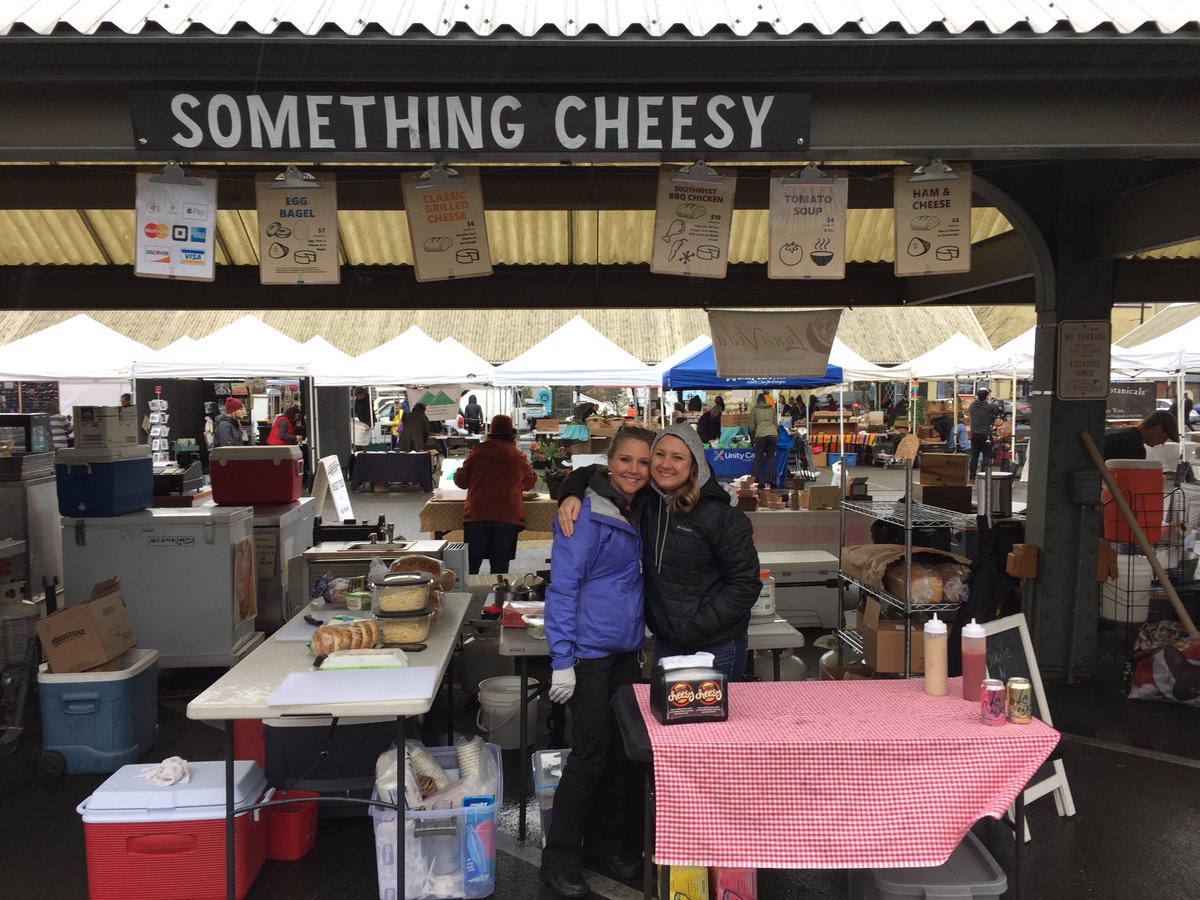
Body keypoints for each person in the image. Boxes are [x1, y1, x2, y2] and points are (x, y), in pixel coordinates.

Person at [540, 427, 654, 898]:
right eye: (624, 460)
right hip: (588, 653)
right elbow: (563, 587)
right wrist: (561, 658)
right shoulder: (584, 514)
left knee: (626, 751)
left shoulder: (644, 506)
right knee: (590, 753)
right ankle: (561, 856)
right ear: (610, 462)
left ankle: (606, 844)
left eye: (642, 462)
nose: (633, 470)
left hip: (626, 648)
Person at [558, 422, 761, 680]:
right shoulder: (650, 499)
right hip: (667, 641)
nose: (666, 464)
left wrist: (696, 625)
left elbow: (745, 583)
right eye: (660, 455)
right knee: (664, 716)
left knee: (712, 718)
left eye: (678, 457)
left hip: (716, 645)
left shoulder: (720, 514)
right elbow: (597, 471)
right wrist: (570, 493)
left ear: (694, 463)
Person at [453, 414, 537, 574]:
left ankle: (469, 598)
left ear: (490, 433)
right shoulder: (518, 457)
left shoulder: (476, 453)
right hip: (507, 516)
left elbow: (461, 482)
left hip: (477, 515)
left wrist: (460, 471)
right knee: (500, 570)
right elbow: (529, 483)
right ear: (511, 434)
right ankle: (499, 599)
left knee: (471, 567)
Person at [1103, 410, 1179, 461]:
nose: (1163, 443)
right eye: (1165, 438)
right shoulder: (1135, 448)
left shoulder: (1118, 434)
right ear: (1157, 429)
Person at [749, 392, 779, 489]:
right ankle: (768, 482)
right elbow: (776, 425)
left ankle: (755, 481)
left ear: (757, 402)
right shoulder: (771, 409)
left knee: (758, 459)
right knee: (770, 459)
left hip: (760, 436)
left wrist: (752, 437)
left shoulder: (755, 410)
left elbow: (751, 426)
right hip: (773, 435)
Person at [967, 389, 997, 479]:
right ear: (987, 396)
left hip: (975, 434)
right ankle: (983, 476)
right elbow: (996, 411)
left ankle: (972, 477)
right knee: (986, 456)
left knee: (974, 456)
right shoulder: (989, 406)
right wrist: (991, 402)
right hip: (986, 434)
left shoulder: (972, 406)